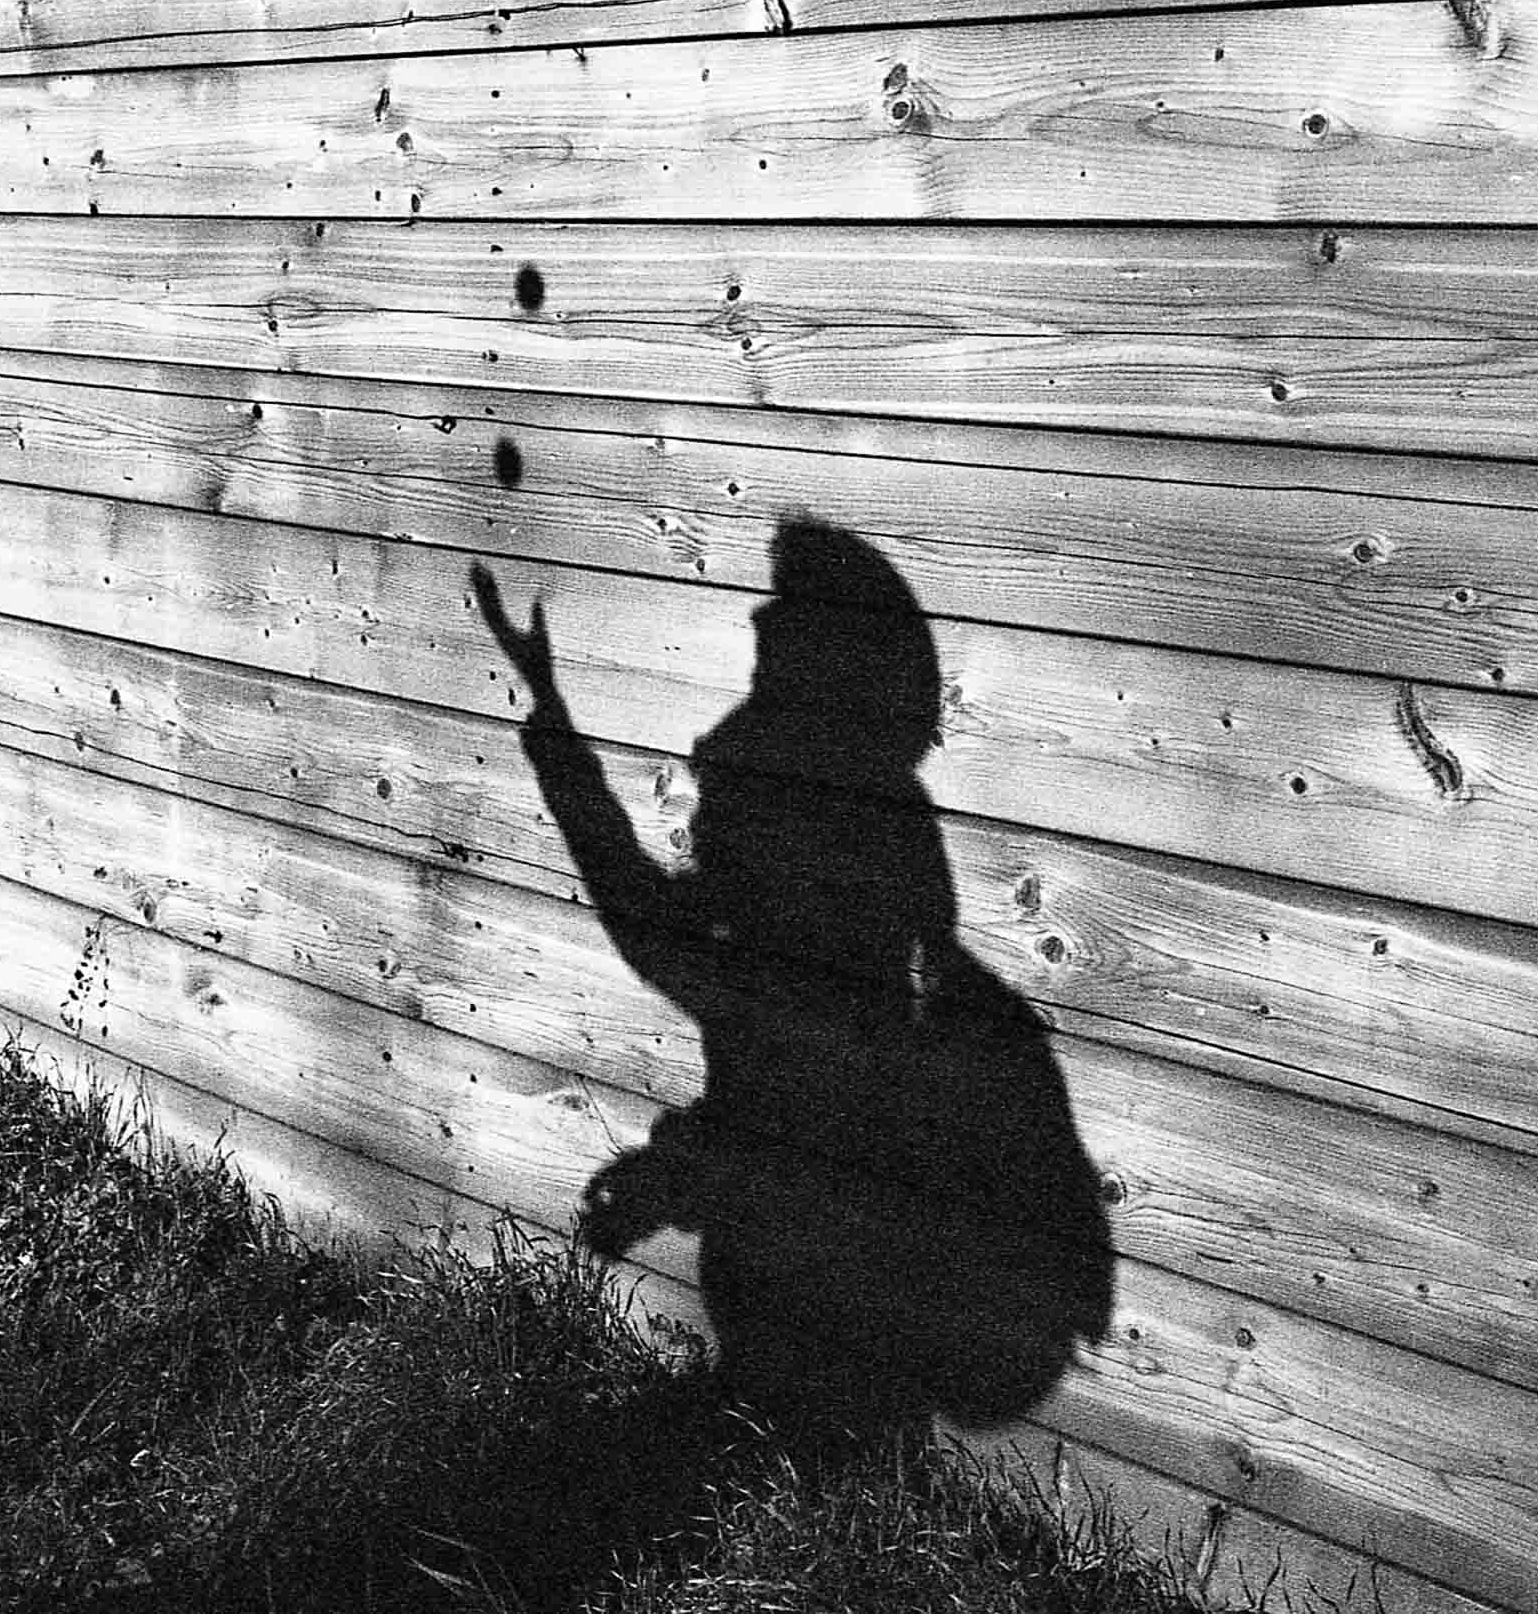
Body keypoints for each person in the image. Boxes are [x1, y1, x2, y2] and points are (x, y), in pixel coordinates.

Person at [473, 521, 1114, 1439]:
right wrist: (551, 720)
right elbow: (682, 951)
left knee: (804, 1428)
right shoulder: (869, 879)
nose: (703, 759)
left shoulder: (837, 893)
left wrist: (681, 1173)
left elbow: (715, 995)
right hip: (831, 1274)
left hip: (834, 1290)